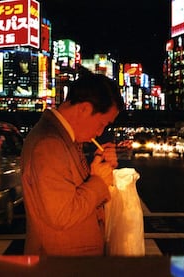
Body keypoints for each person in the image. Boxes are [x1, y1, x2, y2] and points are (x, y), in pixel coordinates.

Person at [21, 72, 125, 256]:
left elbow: (78, 195)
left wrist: (100, 169)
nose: (100, 132)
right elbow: (62, 214)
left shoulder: (65, 139)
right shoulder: (49, 144)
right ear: (84, 109)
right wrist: (98, 181)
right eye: (102, 123)